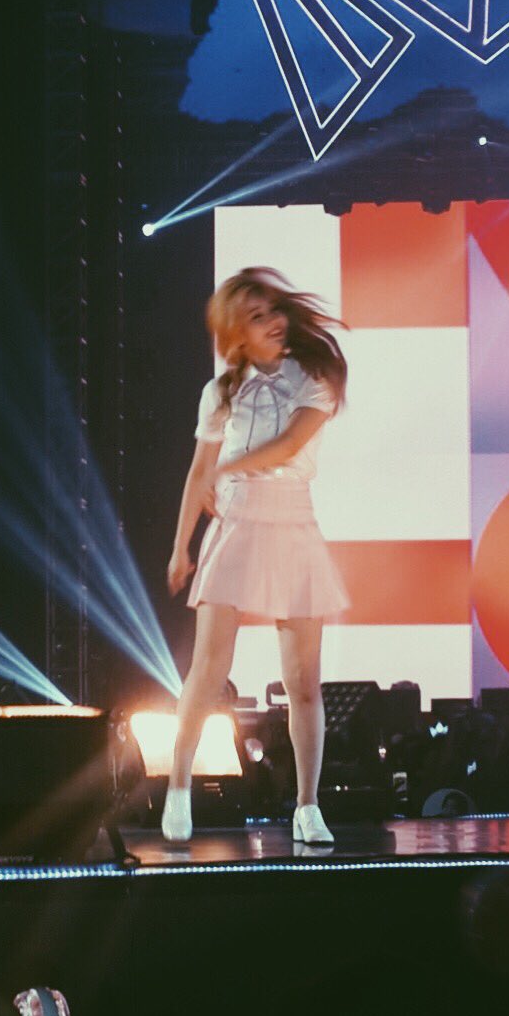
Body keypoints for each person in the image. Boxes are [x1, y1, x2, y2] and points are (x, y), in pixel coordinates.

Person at [165, 267, 348, 845]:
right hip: (238, 523)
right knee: (208, 670)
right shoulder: (220, 392)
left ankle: (308, 806)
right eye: (256, 316)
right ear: (236, 333)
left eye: (273, 311)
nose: (273, 322)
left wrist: (228, 467)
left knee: (304, 681)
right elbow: (198, 472)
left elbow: (290, 445)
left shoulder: (314, 376)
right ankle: (177, 788)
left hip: (293, 520)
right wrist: (180, 547)